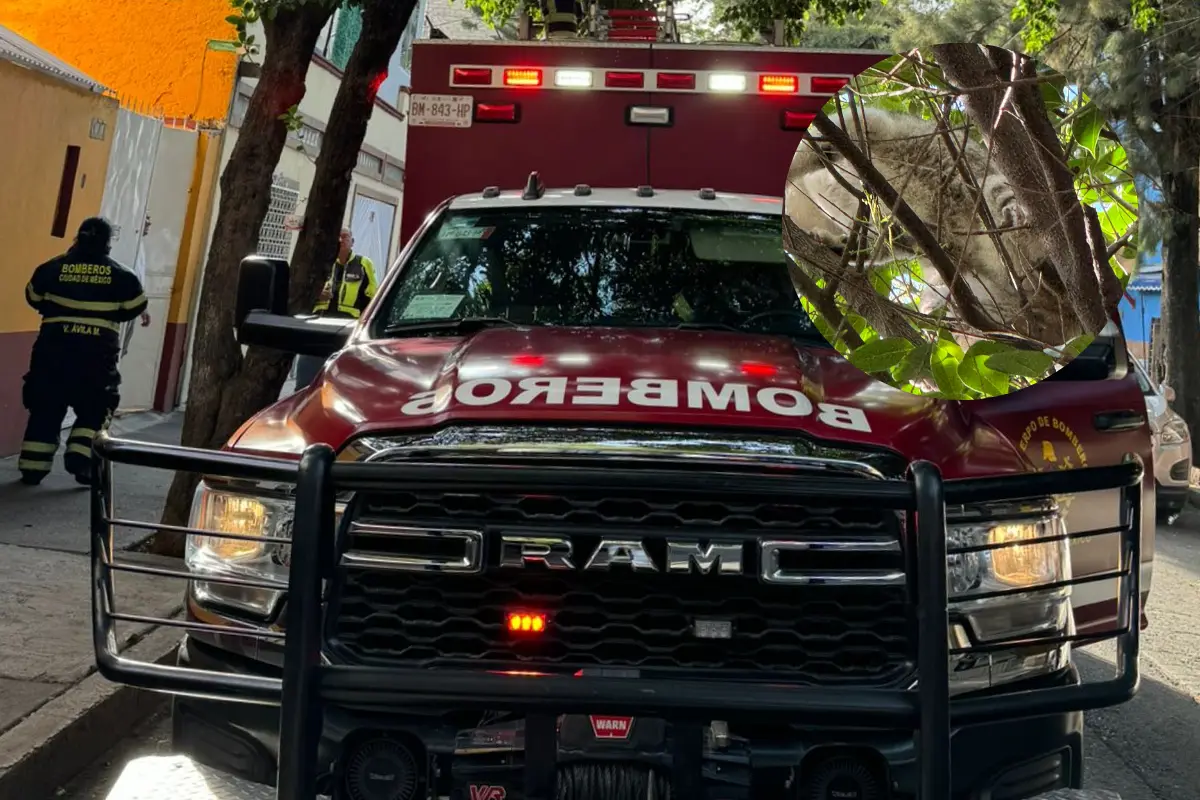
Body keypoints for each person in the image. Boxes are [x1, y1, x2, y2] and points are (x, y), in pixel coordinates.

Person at [18, 217, 148, 486]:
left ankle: (33, 467)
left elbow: (33, 297)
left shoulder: (51, 269)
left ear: (77, 238)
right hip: (96, 357)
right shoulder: (122, 276)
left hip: (52, 353)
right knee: (96, 406)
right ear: (107, 243)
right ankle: (81, 459)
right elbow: (134, 307)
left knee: (45, 406)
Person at [293, 227, 378, 389]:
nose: (341, 240)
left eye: (345, 236)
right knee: (306, 381)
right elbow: (300, 292)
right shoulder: (320, 264)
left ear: (352, 242)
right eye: (338, 237)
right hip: (318, 326)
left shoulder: (363, 264)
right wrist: (317, 295)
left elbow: (372, 297)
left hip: (348, 329)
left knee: (342, 384)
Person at [120, 213, 153, 358]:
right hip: (123, 306)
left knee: (122, 349)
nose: (149, 224)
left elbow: (138, 280)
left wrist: (142, 308)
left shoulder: (141, 247)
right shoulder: (128, 245)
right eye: (146, 219)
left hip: (133, 305)